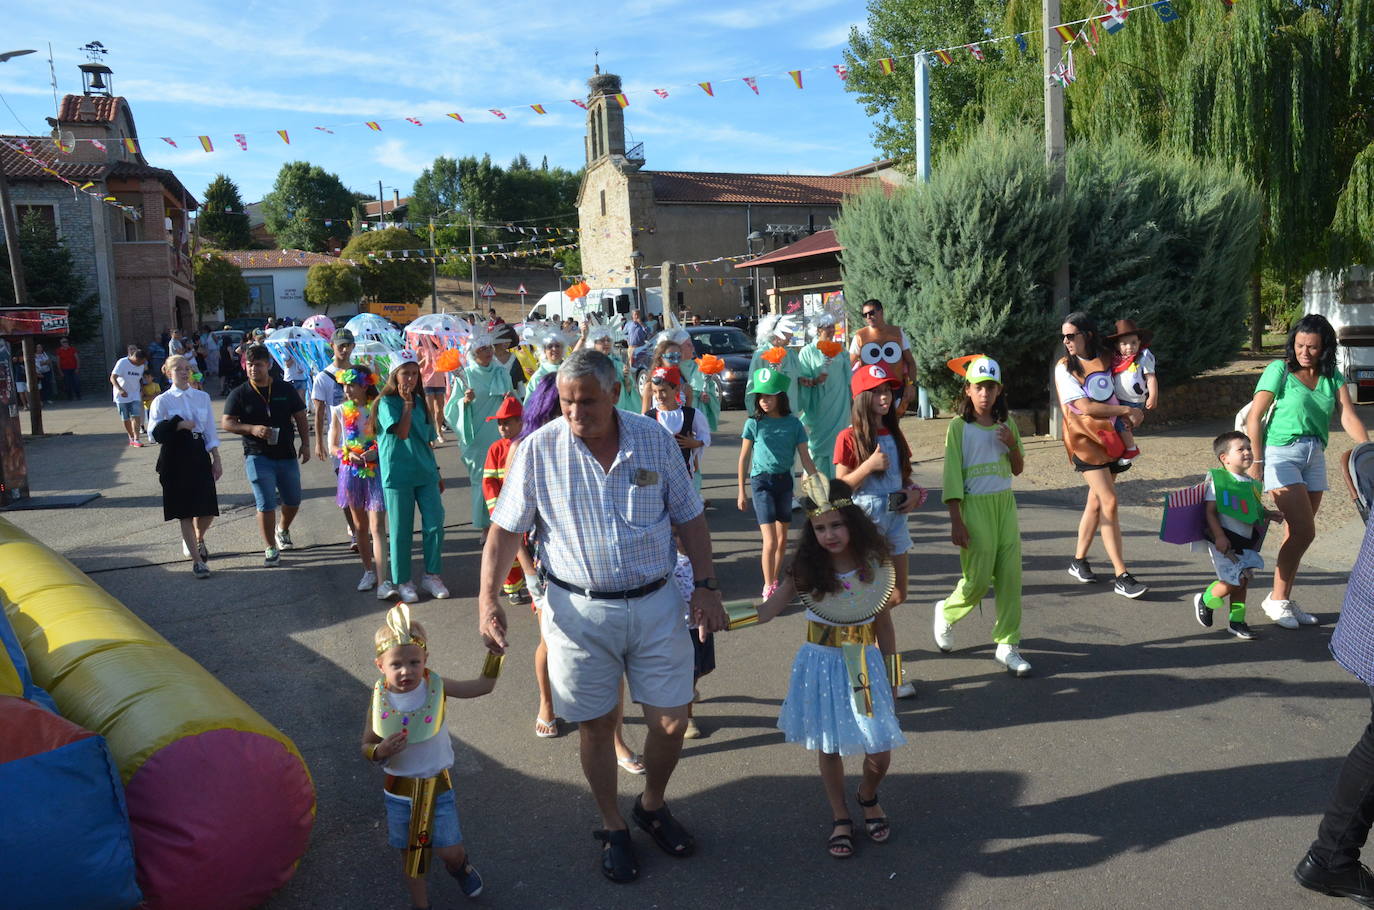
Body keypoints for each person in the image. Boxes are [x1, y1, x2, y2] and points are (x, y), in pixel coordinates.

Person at [477, 349, 726, 884]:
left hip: (658, 602)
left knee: (672, 719)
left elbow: (690, 518)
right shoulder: (538, 449)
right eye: (567, 402)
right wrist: (488, 598)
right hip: (578, 611)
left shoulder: (653, 439)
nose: (575, 412)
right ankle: (613, 824)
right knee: (595, 724)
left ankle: (652, 805)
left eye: (587, 400)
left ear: (615, 394)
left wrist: (706, 587)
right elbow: (504, 531)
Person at [752, 474, 906, 858]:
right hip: (820, 663)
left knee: (879, 745)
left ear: (851, 522)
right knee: (830, 743)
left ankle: (867, 795)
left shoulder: (875, 566)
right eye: (820, 528)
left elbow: (884, 625)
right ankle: (840, 815)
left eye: (836, 524)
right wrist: (716, 615)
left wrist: (896, 679)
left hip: (861, 662)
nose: (829, 534)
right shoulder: (805, 569)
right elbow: (767, 612)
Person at [362, 605, 493, 908]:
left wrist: (495, 655)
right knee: (413, 860)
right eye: (396, 664)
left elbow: (483, 687)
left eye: (413, 662)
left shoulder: (437, 688)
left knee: (450, 851)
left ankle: (460, 867)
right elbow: (366, 747)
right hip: (399, 793)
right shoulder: (379, 703)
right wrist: (380, 751)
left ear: (425, 661)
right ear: (380, 665)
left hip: (438, 787)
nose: (406, 670)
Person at [1247, 313, 1370, 629]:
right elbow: (1255, 417)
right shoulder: (1280, 370)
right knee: (1305, 531)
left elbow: (1348, 417)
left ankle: (1281, 599)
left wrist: (1368, 450)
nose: (1304, 351)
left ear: (1324, 349)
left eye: (1312, 347)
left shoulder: (1332, 377)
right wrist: (1257, 464)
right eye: (1300, 344)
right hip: (1280, 455)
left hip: (1314, 454)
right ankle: (1276, 600)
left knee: (1296, 532)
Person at [934, 355, 1030, 675]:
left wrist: (1012, 443)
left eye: (990, 387)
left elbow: (1017, 468)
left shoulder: (1008, 425)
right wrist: (956, 520)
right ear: (968, 390)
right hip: (974, 506)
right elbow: (951, 476)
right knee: (977, 580)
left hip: (1004, 504)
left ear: (999, 389)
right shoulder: (958, 428)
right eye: (979, 388)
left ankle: (1008, 644)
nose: (985, 394)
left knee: (1010, 576)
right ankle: (947, 613)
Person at [834, 364, 925, 699]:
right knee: (876, 607)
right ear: (862, 397)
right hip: (865, 527)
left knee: (899, 594)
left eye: (889, 391)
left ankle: (872, 666)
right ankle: (885, 680)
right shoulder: (848, 438)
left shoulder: (896, 434)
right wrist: (868, 467)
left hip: (897, 523)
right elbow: (839, 488)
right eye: (878, 391)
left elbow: (907, 479)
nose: (886, 398)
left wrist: (916, 495)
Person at [1056, 312, 1149, 598]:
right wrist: (1126, 411)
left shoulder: (1109, 357)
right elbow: (1086, 407)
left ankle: (1078, 561)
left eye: (1071, 335)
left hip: (1111, 439)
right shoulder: (1064, 368)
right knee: (1108, 501)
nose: (1066, 341)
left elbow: (1130, 378)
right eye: (1064, 336)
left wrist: (1138, 407)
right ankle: (1121, 574)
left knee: (1096, 501)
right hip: (1085, 440)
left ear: (1088, 334)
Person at [220, 344, 310, 567]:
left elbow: (300, 415)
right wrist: (251, 429)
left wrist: (306, 444)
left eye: (258, 365)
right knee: (266, 503)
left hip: (286, 453)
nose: (253, 369)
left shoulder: (284, 389)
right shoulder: (239, 393)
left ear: (268, 365)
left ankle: (283, 529)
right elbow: (227, 422)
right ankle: (270, 547)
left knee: (293, 500)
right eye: (249, 365)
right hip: (257, 455)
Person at [1192, 431, 1284, 640]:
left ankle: (1237, 621)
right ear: (1224, 458)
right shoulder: (1220, 481)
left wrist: (1268, 514)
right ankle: (1205, 599)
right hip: (1224, 540)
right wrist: (1220, 536)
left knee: (1243, 582)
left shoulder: (1249, 482)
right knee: (1235, 580)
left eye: (1249, 448)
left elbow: (1252, 510)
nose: (1247, 452)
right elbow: (1210, 512)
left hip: (1245, 540)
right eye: (1240, 449)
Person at [738, 366, 817, 599]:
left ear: (780, 396)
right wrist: (741, 491)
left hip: (785, 484)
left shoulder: (794, 424)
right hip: (761, 482)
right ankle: (768, 585)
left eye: (769, 396)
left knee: (783, 540)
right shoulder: (753, 423)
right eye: (761, 396)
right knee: (770, 539)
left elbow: (805, 457)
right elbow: (744, 458)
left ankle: (774, 578)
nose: (764, 401)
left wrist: (819, 486)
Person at [377, 350, 450, 604]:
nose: (410, 378)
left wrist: (437, 471)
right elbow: (402, 433)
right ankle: (403, 580)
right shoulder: (386, 403)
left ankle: (431, 575)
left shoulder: (421, 403)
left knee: (435, 523)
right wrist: (406, 405)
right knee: (400, 530)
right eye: (405, 373)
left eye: (414, 373)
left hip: (425, 471)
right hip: (398, 474)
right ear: (394, 376)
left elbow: (427, 440)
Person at [149, 354, 222, 579]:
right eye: (178, 368)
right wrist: (178, 425)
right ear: (168, 372)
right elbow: (153, 434)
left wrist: (216, 458)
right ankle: (198, 562)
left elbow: (209, 429)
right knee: (185, 512)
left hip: (197, 452)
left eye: (187, 368)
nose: (183, 372)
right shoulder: (162, 400)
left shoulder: (202, 397)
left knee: (208, 508)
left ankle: (198, 539)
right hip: (175, 456)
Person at [327, 365, 394, 599]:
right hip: (351, 471)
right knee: (361, 527)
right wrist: (346, 452)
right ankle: (368, 571)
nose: (347, 390)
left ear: (365, 385)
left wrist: (376, 451)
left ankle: (383, 580)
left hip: (375, 470)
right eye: (344, 385)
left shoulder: (377, 407)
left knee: (377, 527)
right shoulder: (338, 411)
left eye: (351, 385)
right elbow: (332, 445)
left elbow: (386, 437)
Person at [446, 330, 513, 538]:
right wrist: (464, 402)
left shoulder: (501, 373)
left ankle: (504, 523)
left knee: (504, 478)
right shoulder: (465, 376)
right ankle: (486, 527)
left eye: (489, 348)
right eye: (482, 349)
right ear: (473, 353)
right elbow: (450, 411)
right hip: (476, 438)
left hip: (500, 434)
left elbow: (513, 400)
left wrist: (510, 397)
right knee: (483, 480)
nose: (488, 352)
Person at [311, 328, 360, 549]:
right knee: (346, 488)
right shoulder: (323, 377)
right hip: (339, 442)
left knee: (364, 487)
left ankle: (363, 527)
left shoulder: (361, 372)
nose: (344, 349)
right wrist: (319, 442)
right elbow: (319, 410)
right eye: (340, 345)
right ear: (332, 346)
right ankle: (356, 533)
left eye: (348, 345)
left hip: (362, 439)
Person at [796, 315, 852, 478]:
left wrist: (853, 402)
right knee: (819, 446)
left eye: (833, 326)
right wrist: (815, 380)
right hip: (819, 405)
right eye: (828, 327)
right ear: (819, 330)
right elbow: (802, 380)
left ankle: (837, 484)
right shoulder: (807, 351)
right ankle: (816, 484)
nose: (832, 330)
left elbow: (849, 377)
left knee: (839, 443)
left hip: (839, 403)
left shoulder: (840, 350)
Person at [849, 299, 918, 415]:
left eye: (871, 313)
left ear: (881, 312)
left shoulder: (897, 332)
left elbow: (910, 362)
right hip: (870, 391)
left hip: (895, 389)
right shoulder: (859, 336)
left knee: (892, 426)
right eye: (864, 315)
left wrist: (911, 385)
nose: (868, 317)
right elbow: (848, 364)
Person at [645, 365, 709, 487]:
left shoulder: (691, 414)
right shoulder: (648, 417)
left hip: (683, 478)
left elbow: (705, 436)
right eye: (655, 391)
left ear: (676, 389)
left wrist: (695, 443)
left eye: (663, 390)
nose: (659, 396)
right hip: (657, 480)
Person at [1107, 318, 1158, 464]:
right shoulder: (1116, 360)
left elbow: (1151, 378)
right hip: (1118, 400)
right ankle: (1122, 447)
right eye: (1124, 343)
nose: (1129, 347)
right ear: (1117, 345)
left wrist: (1153, 396)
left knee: (1122, 425)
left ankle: (1131, 449)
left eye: (1134, 342)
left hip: (1133, 401)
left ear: (1140, 342)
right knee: (1118, 424)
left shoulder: (1143, 358)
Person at [744, 315, 802, 414]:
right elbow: (752, 386)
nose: (792, 335)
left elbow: (798, 380)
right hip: (768, 415)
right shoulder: (761, 355)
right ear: (778, 334)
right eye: (789, 331)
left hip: (790, 413)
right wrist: (754, 413)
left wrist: (805, 381)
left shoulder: (792, 355)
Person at [574, 321, 636, 412]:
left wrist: (627, 379)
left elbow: (629, 391)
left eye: (608, 340)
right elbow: (572, 361)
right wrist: (583, 338)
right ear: (593, 343)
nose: (606, 343)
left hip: (617, 412)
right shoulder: (588, 362)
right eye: (602, 340)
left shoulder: (619, 364)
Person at [638, 329, 694, 413]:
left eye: (678, 357)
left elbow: (690, 417)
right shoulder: (650, 387)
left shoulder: (686, 387)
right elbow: (644, 417)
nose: (676, 361)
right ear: (661, 358)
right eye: (671, 358)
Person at [679, 333, 719, 433]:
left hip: (697, 420)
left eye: (692, 344)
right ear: (678, 348)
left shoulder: (700, 366)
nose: (692, 347)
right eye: (688, 345)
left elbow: (712, 392)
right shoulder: (673, 367)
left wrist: (708, 397)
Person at [110, 346, 148, 447]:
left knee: (136, 415)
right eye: (141, 362)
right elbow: (112, 378)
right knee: (125, 417)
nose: (142, 364)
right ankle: (131, 437)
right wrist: (120, 389)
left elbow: (139, 379)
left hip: (135, 394)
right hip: (121, 395)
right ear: (136, 359)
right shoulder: (122, 363)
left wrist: (142, 389)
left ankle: (137, 439)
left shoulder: (141, 365)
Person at [522, 330, 567, 405]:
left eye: (557, 346)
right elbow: (529, 404)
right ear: (544, 351)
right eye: (550, 346)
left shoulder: (571, 368)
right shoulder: (539, 375)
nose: (554, 349)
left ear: (563, 349)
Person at [140, 368, 161, 438]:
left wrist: (149, 397)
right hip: (147, 407)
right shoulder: (143, 387)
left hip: (155, 407)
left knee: (157, 420)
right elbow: (142, 398)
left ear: (152, 377)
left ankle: (156, 432)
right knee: (149, 421)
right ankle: (151, 434)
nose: (147, 379)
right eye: (145, 377)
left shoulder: (156, 385)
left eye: (148, 377)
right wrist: (152, 396)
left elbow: (158, 395)